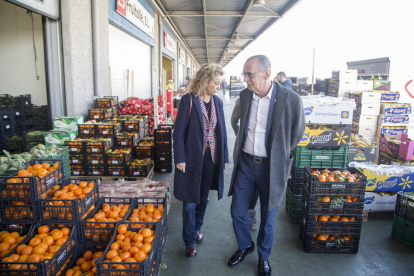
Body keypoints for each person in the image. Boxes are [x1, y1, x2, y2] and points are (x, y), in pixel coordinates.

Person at [227, 55, 305, 275]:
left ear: (266, 74)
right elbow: (235, 122)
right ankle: (245, 246)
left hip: (271, 168)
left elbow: (298, 132)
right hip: (246, 164)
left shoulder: (290, 99)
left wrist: (280, 152)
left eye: (249, 74)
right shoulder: (245, 95)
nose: (245, 79)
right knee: (237, 211)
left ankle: (263, 257)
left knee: (267, 218)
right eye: (244, 74)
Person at [173, 63, 229, 258]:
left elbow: (221, 133)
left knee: (203, 198)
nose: (218, 87)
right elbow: (178, 133)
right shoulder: (188, 101)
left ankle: (197, 228)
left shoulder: (218, 103)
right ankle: (189, 241)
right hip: (191, 158)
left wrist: (224, 157)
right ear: (205, 82)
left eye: (220, 83)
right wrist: (180, 157)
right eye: (216, 83)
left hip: (211, 159)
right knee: (189, 201)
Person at [230, 98, 258, 230]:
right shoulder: (243, 101)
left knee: (256, 187)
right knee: (241, 184)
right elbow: (233, 120)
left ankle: (250, 214)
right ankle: (241, 215)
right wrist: (239, 133)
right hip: (242, 153)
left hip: (261, 155)